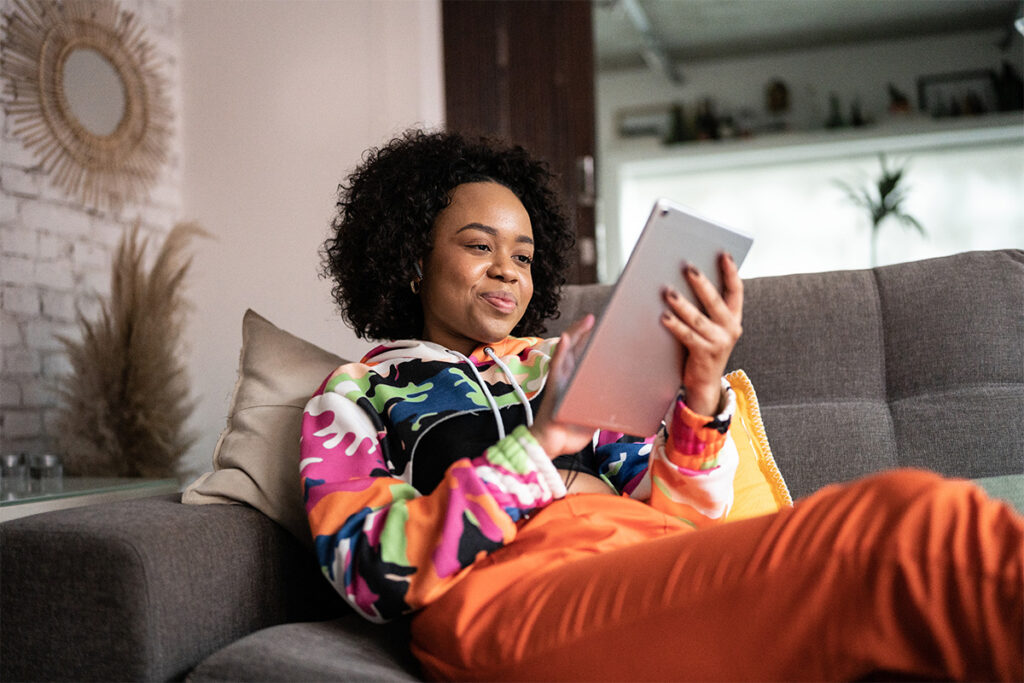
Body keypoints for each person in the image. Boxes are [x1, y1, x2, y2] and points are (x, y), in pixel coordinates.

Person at [302, 129, 1023, 681]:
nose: (506, 270)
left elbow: (680, 512)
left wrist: (703, 388)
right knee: (908, 527)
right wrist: (542, 452)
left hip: (650, 572)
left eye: (523, 255)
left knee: (909, 592)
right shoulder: (359, 393)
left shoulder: (564, 357)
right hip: (510, 599)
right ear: (408, 256)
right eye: (477, 244)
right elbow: (370, 566)